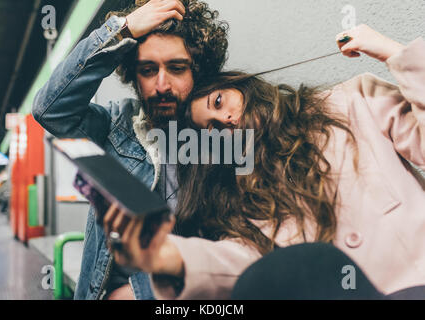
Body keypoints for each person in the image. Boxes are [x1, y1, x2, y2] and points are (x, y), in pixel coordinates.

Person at [103, 24, 425, 299]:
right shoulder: (246, 200)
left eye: (219, 102)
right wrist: (167, 255)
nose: (225, 120)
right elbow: (237, 263)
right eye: (213, 129)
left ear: (241, 85)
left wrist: (393, 52)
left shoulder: (354, 100)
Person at [32, 0, 229, 300]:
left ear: (198, 73)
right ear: (133, 75)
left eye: (176, 68)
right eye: (148, 70)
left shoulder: (220, 139)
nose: (161, 85)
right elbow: (50, 111)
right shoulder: (115, 126)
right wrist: (121, 31)